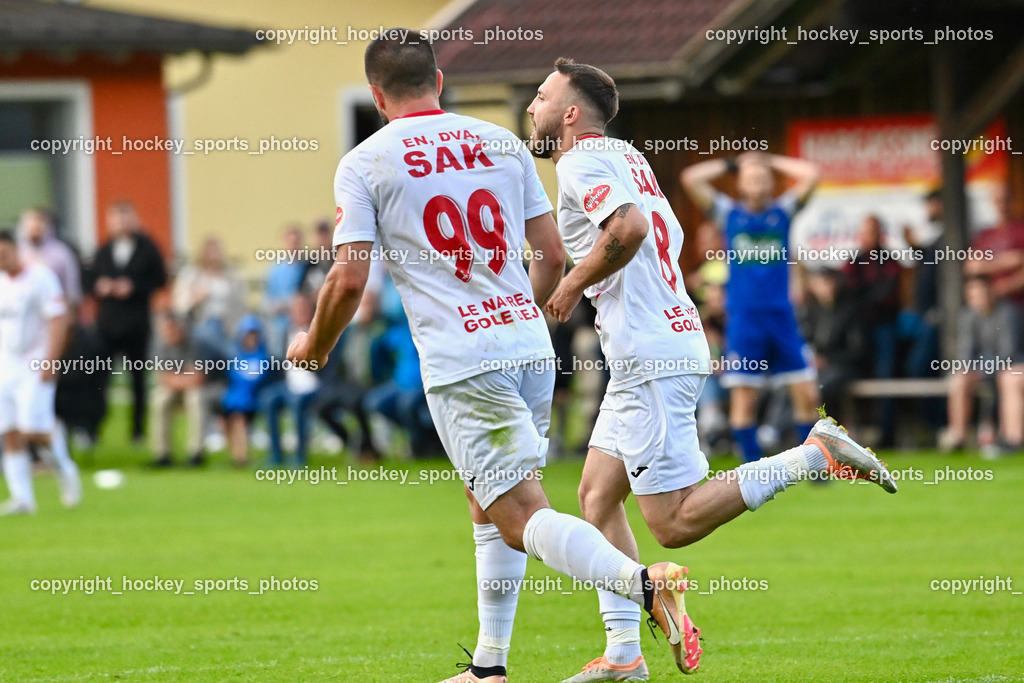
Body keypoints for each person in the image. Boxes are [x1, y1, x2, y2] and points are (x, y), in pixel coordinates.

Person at [286, 32, 699, 683]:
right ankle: (488, 666)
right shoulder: (501, 143)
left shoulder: (366, 161)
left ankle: (645, 584)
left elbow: (346, 278)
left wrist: (312, 346)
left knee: (519, 515)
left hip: (464, 361)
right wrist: (515, 317)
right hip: (527, 348)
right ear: (440, 81)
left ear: (376, 94)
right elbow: (551, 254)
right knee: (488, 503)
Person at [527, 58, 897, 682]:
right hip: (651, 347)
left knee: (671, 523)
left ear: (570, 113)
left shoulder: (582, 161)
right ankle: (623, 657)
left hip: (651, 354)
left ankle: (814, 454)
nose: (531, 107)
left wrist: (570, 285)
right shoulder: (628, 159)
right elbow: (653, 227)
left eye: (541, 97)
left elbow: (632, 228)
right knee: (595, 496)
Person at [681, 150, 822, 463]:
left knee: (807, 394)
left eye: (763, 177)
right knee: (744, 399)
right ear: (740, 185)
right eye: (750, 178)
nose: (757, 182)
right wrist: (734, 164)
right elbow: (691, 179)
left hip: (782, 317)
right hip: (744, 319)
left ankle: (812, 466)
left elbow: (811, 174)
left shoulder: (783, 211)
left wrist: (768, 160)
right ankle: (753, 468)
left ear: (772, 183)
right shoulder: (728, 214)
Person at [0, 230, 80, 514]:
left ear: (15, 249)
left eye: (5, 254)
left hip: (34, 363)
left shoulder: (39, 277)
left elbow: (58, 318)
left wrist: (52, 360)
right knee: (8, 431)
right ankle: (22, 498)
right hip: (5, 364)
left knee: (34, 431)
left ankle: (65, 469)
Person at [89, 200, 167, 442]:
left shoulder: (148, 247)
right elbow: (90, 279)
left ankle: (137, 429)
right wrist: (100, 287)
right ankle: (94, 428)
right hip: (107, 325)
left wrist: (133, 287)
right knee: (99, 378)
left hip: (136, 325)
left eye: (125, 218)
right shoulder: (104, 249)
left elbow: (161, 279)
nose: (121, 223)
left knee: (138, 380)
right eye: (116, 219)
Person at [940, 274, 1023, 454]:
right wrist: (972, 370)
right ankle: (958, 437)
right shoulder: (967, 316)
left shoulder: (1009, 313)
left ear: (991, 292)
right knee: (959, 378)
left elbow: (1009, 353)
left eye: (982, 293)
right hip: (984, 370)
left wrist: (982, 370)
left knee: (1010, 378)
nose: (979, 298)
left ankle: (1012, 439)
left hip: (1014, 367)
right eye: (974, 295)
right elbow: (965, 354)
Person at [264, 294, 320, 467]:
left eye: (303, 309)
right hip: (288, 385)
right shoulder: (286, 333)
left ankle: (300, 455)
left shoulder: (319, 332)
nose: (300, 313)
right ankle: (276, 454)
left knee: (297, 403)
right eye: (296, 310)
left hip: (312, 386)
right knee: (267, 400)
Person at [149, 313, 208, 468]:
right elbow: (162, 378)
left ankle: (196, 453)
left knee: (196, 398)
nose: (170, 335)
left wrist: (176, 379)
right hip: (175, 388)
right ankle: (162, 454)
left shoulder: (195, 343)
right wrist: (181, 379)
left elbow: (198, 378)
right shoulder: (160, 345)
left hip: (198, 388)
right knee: (159, 399)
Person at [172, 236, 246, 358]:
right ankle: (235, 358)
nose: (215, 256)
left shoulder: (231, 276)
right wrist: (194, 298)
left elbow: (241, 304)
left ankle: (234, 359)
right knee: (210, 331)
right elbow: (178, 305)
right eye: (211, 252)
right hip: (201, 323)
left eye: (217, 251)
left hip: (228, 325)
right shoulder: (192, 275)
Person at [219, 314, 272, 467]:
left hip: (252, 401)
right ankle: (235, 454)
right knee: (226, 420)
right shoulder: (236, 356)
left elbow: (256, 380)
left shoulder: (262, 357)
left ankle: (241, 457)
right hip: (233, 399)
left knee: (239, 420)